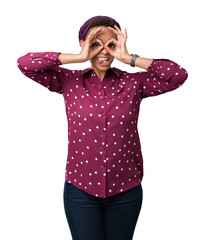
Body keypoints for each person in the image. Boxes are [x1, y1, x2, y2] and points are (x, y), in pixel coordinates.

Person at [17, 15, 188, 240]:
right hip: (81, 191)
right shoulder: (68, 81)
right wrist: (79, 57)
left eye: (111, 45)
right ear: (84, 45)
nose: (104, 52)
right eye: (96, 44)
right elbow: (26, 63)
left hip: (125, 189)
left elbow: (177, 75)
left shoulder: (133, 83)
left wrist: (129, 58)